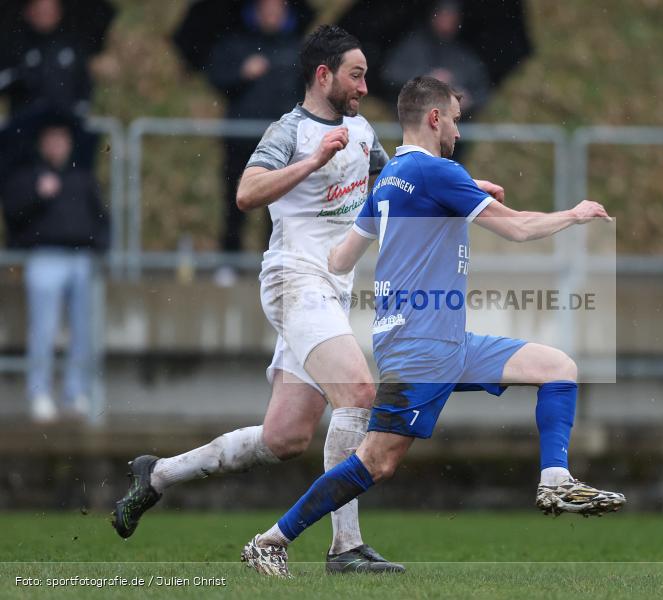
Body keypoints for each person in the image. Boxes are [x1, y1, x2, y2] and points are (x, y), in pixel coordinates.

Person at [239, 76, 626, 578]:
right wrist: (573, 215)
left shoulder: (390, 179)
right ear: (435, 118)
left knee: (558, 367)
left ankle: (554, 479)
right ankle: (271, 541)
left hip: (445, 340)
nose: (460, 135)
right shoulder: (436, 171)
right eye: (457, 122)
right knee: (375, 463)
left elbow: (337, 258)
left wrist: (451, 206)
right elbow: (516, 227)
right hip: (423, 348)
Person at [111, 25, 404, 574]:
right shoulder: (289, 131)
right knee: (361, 394)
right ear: (324, 76)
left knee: (285, 437)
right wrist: (313, 162)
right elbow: (246, 192)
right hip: (294, 281)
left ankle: (156, 475)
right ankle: (345, 548)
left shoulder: (364, 132)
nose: (365, 86)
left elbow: (394, 188)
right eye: (356, 75)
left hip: (331, 293)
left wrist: (461, 191)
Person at [1, 112, 108, 422]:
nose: (57, 146)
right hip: (44, 256)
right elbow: (14, 216)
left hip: (80, 259)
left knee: (82, 331)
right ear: (42, 144)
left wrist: (101, 247)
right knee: (43, 329)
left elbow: (101, 218)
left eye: (62, 140)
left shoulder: (81, 177)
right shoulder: (28, 176)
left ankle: (76, 393)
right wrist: (37, 194)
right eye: (51, 140)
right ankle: (39, 393)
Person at [207, 0, 306, 282]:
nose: (273, 15)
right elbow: (216, 76)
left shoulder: (297, 48)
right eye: (267, 9)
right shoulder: (236, 43)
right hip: (241, 138)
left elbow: (305, 92)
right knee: (235, 201)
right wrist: (242, 72)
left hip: (281, 141)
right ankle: (229, 261)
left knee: (279, 206)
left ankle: (273, 265)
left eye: (278, 10)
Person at [380, 0, 491, 162]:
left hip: (453, 140)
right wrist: (426, 80)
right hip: (416, 131)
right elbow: (391, 76)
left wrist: (467, 100)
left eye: (452, 17)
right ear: (434, 16)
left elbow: (481, 91)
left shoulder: (464, 55)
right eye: (444, 15)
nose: (448, 21)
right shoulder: (412, 47)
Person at [0, 0, 93, 117]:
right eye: (40, 10)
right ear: (28, 12)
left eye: (49, 10)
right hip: (24, 122)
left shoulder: (71, 46)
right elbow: (3, 82)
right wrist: (22, 73)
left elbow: (84, 81)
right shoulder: (14, 47)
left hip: (63, 124)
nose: (45, 14)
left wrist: (80, 110)